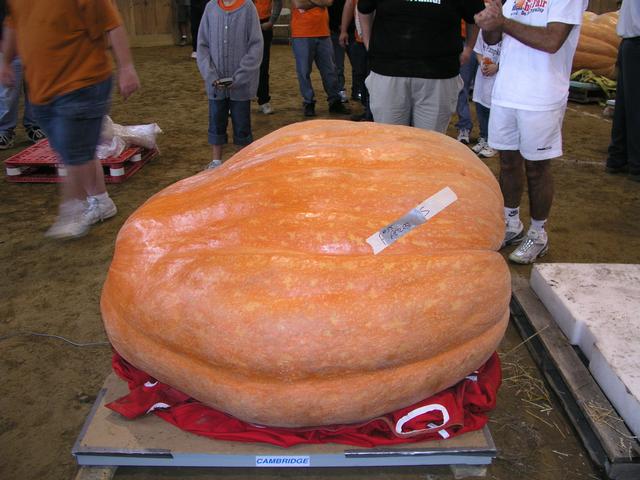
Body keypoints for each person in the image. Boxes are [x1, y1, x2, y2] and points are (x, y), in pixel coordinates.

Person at [1, 0, 140, 240]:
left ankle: (72, 210)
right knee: (75, 150)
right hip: (43, 89)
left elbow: (113, 24)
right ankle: (101, 201)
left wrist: (126, 67)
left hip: (84, 82)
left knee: (73, 150)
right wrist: (5, 62)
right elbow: (14, 24)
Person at [475, 0, 588, 264]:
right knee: (508, 162)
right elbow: (494, 39)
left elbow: (552, 41)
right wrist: (489, 22)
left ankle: (538, 233)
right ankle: (511, 223)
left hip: (541, 96)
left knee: (537, 168)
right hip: (506, 92)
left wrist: (503, 22)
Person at [357, 0, 485, 133]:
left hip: (439, 74)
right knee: (390, 139)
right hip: (388, 72)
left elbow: (476, 15)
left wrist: (469, 48)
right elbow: (364, 8)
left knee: (431, 141)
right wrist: (368, 44)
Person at [196, 0, 263, 169]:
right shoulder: (211, 8)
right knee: (216, 120)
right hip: (215, 85)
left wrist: (240, 76)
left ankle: (243, 162)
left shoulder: (248, 8)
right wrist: (211, 75)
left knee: (242, 123)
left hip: (241, 86)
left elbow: (256, 46)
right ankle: (216, 161)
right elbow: (202, 46)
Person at [290, 0, 350, 117]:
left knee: (330, 70)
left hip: (323, 32)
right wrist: (320, 2)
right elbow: (299, 4)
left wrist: (311, 2)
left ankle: (334, 100)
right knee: (304, 71)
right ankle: (308, 102)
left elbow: (329, 2)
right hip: (302, 33)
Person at [0, 0, 45, 149]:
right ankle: (4, 129)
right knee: (7, 92)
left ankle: (35, 125)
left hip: (36, 43)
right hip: (9, 44)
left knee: (35, 88)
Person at [605, 0, 639, 183]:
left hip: (629, 42)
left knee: (625, 105)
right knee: (634, 107)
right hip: (635, 42)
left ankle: (618, 158)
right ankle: (636, 164)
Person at [471, 29, 501, 158]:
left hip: (498, 80)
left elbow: (511, 56)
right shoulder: (483, 30)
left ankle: (493, 143)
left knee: (494, 113)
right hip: (482, 79)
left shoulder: (506, 33)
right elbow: (478, 50)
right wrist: (482, 62)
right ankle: (483, 138)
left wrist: (497, 66)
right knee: (481, 108)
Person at [339, 0, 371, 121]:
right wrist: (343, 30)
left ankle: (371, 111)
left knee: (373, 77)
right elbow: (349, 5)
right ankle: (367, 109)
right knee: (361, 75)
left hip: (378, 41)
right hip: (360, 40)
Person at [253, 0, 282, 115]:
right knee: (239, 65)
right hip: (244, 22)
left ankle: (263, 101)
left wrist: (271, 21)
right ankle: (235, 102)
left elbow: (278, 2)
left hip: (264, 24)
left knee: (263, 65)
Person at [455, 21, 479, 144]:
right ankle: (464, 127)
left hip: (491, 41)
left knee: (486, 92)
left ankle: (487, 134)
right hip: (465, 39)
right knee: (461, 87)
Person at [329, 0, 352, 103]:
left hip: (352, 30)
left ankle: (358, 91)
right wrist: (337, 26)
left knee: (358, 66)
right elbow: (329, 10)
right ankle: (340, 90)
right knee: (338, 66)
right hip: (335, 31)